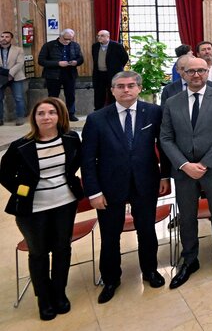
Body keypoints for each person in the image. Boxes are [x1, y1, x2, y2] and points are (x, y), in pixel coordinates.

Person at [81, 70, 170, 303]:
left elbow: (163, 145)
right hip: (109, 187)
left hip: (145, 182)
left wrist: (164, 176)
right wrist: (94, 192)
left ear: (139, 88)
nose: (126, 90)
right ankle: (110, 279)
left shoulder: (153, 112)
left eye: (131, 85)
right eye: (120, 86)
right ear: (112, 90)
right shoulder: (97, 119)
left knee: (147, 230)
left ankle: (150, 270)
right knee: (110, 235)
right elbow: (88, 159)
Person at [0, 98, 82, 320]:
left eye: (51, 112)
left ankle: (59, 293)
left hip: (65, 204)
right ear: (34, 118)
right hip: (33, 209)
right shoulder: (21, 146)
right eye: (41, 113)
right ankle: (43, 299)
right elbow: (4, 174)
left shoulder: (71, 139)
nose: (46, 117)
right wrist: (22, 190)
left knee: (62, 249)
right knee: (38, 253)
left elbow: (76, 164)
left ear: (59, 115)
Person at [159, 57, 212, 289]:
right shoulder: (172, 102)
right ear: (182, 73)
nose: (196, 75)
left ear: (207, 71)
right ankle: (190, 259)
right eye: (191, 71)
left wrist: (205, 163)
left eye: (201, 70)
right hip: (183, 171)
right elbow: (165, 138)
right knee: (188, 215)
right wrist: (184, 165)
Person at [38, 29, 84, 121]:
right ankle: (53, 113)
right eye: (66, 39)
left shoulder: (75, 45)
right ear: (60, 36)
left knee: (70, 95)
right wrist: (58, 63)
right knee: (53, 96)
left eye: (70, 39)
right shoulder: (49, 45)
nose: (68, 41)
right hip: (53, 75)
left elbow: (80, 58)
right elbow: (41, 61)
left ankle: (70, 114)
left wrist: (76, 62)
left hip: (70, 73)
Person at [91, 30, 129, 111]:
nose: (99, 37)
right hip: (99, 74)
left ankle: (113, 110)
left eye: (102, 35)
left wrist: (117, 68)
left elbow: (125, 58)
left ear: (108, 37)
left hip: (113, 74)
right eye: (98, 36)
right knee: (99, 93)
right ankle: (98, 111)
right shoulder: (95, 46)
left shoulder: (117, 46)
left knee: (113, 92)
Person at [0, 30, 27, 125]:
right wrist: (6, 73)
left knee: (19, 98)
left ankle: (20, 117)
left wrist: (11, 74)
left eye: (7, 37)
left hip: (15, 77)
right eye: (2, 36)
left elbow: (20, 63)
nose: (4, 38)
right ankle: (0, 119)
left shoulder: (18, 50)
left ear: (11, 39)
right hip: (0, 77)